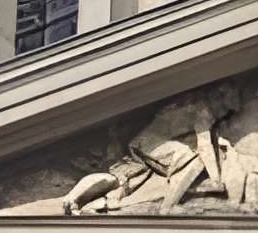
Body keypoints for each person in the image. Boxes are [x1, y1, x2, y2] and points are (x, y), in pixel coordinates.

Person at [62, 82, 239, 216]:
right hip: (150, 143)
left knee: (118, 182)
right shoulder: (203, 110)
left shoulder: (200, 109)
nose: (228, 110)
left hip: (145, 148)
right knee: (191, 156)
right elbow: (205, 146)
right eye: (229, 102)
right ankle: (170, 205)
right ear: (220, 97)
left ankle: (171, 200)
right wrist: (216, 180)